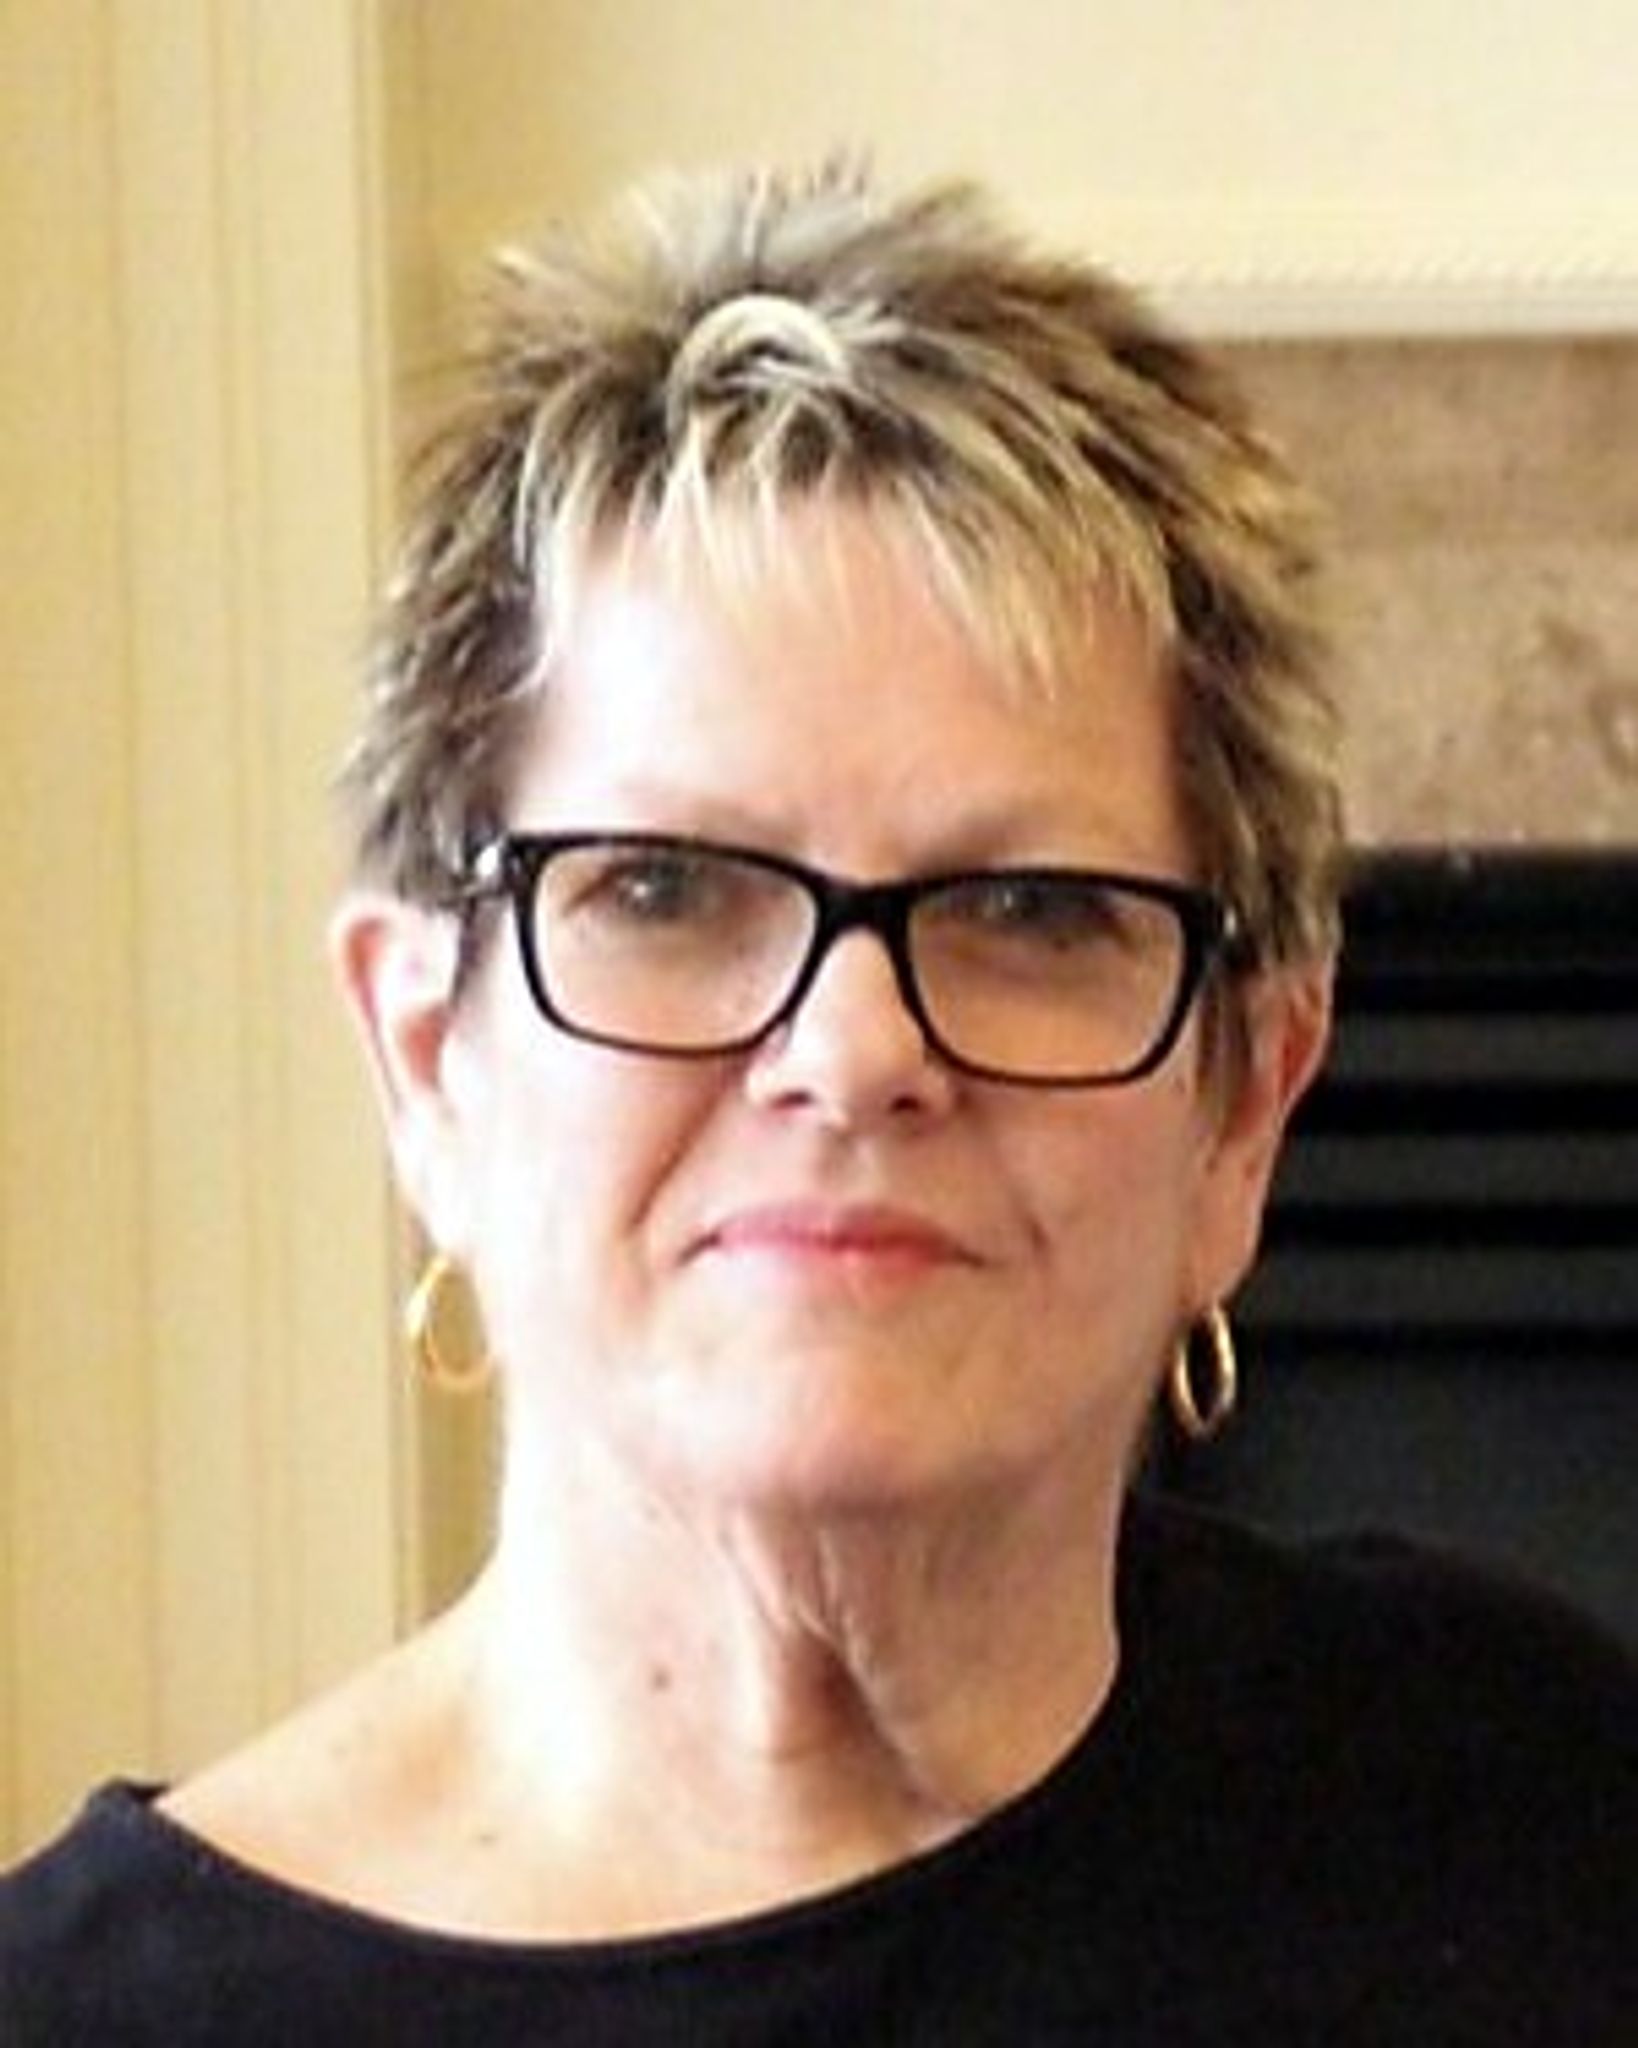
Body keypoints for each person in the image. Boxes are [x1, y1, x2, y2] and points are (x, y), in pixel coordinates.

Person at [2, 162, 1633, 2045]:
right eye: (663, 891)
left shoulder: (1524, 1811)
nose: (853, 1053)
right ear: (429, 1061)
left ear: (1243, 1113)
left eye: (1030, 909)